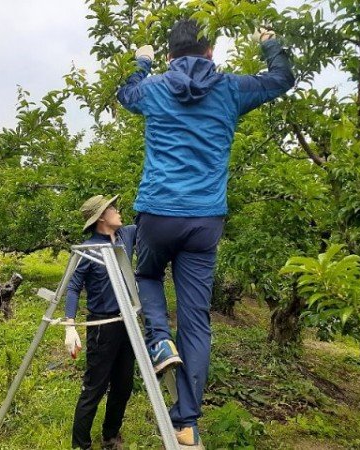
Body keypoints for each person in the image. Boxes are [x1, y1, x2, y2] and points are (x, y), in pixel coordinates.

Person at [117, 19, 294, 449]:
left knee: (146, 276)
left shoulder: (155, 87)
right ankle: (187, 423)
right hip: (205, 220)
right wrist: (270, 43)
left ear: (169, 54)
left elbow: (125, 94)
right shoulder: (231, 88)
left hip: (158, 212)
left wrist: (141, 61)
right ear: (211, 51)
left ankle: (159, 339)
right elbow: (282, 79)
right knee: (197, 322)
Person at [64, 194, 137, 450]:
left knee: (123, 385)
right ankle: (80, 445)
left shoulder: (127, 236)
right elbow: (73, 287)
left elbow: (147, 218)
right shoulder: (89, 249)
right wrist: (70, 326)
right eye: (113, 208)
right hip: (102, 326)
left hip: (127, 323)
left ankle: (110, 436)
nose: (118, 211)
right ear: (102, 217)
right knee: (94, 388)